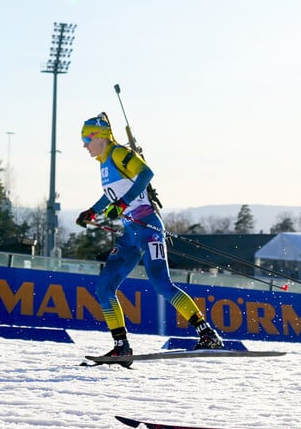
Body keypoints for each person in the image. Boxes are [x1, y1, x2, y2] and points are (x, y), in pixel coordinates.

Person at [76, 113, 224, 364]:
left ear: (100, 136)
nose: (84, 145)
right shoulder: (103, 163)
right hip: (130, 234)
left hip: (148, 227)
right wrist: (92, 211)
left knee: (161, 284)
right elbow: (113, 195)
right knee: (104, 288)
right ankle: (121, 346)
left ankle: (207, 333)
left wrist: (121, 204)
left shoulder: (118, 154)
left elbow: (146, 174)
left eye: (86, 138)